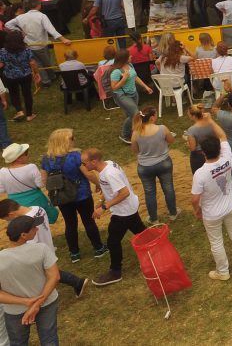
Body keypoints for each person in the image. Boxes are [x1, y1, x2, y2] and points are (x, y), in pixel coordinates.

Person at [40, 129, 106, 262]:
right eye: (71, 138)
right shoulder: (76, 156)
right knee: (88, 220)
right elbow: (88, 174)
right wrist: (98, 184)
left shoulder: (46, 159)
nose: (74, 140)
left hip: (62, 196)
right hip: (81, 194)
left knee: (70, 223)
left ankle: (74, 253)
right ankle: (99, 249)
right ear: (64, 141)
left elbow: (44, 181)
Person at [83, 147, 146, 286]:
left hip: (123, 212)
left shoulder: (109, 173)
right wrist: (100, 202)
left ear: (94, 161)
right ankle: (156, 251)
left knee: (112, 241)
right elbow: (110, 190)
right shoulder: (108, 164)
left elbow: (124, 193)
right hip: (128, 208)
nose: (83, 166)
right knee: (141, 233)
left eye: (84, 163)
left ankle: (115, 272)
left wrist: (105, 207)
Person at [191, 135, 232, 281]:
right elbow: (222, 135)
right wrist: (210, 119)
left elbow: (195, 198)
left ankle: (223, 272)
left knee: (216, 242)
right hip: (231, 206)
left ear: (203, 152)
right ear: (219, 149)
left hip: (212, 214)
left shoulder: (200, 174)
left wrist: (197, 210)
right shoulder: (227, 159)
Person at [0, 215, 63, 344]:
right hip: (47, 303)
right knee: (49, 339)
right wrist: (37, 303)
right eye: (33, 228)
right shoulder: (41, 249)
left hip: (14, 310)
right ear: (23, 235)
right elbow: (55, 276)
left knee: (18, 342)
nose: (37, 229)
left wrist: (27, 302)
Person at [5, 0, 71, 86]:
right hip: (41, 45)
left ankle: (46, 80)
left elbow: (7, 25)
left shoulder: (21, 17)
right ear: (39, 5)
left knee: (38, 63)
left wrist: (19, 32)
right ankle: (50, 77)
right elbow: (51, 30)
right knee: (47, 62)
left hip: (29, 45)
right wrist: (63, 39)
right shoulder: (41, 16)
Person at [129, 108, 179, 224]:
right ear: (151, 117)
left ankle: (154, 218)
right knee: (168, 188)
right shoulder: (162, 128)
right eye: (155, 115)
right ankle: (173, 213)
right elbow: (171, 140)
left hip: (145, 167)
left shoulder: (136, 132)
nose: (156, 117)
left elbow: (134, 150)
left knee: (149, 192)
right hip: (164, 163)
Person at [110, 49, 154, 144]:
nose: (131, 57)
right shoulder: (116, 72)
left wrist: (146, 87)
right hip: (122, 95)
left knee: (131, 114)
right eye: (129, 56)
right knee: (136, 114)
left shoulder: (130, 65)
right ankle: (124, 135)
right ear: (124, 59)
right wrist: (124, 79)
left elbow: (135, 77)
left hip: (134, 93)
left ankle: (132, 132)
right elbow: (114, 87)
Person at [0, 30, 40, 122]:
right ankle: (29, 115)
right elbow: (32, 63)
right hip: (25, 75)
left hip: (10, 76)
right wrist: (37, 73)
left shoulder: (2, 51)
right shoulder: (26, 50)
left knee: (14, 94)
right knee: (27, 94)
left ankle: (19, 111)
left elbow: (1, 64)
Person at [184, 104, 226, 174]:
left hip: (198, 157)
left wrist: (187, 142)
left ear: (194, 116)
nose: (189, 116)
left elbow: (193, 148)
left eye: (189, 115)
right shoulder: (211, 124)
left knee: (199, 175)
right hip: (213, 153)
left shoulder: (191, 130)